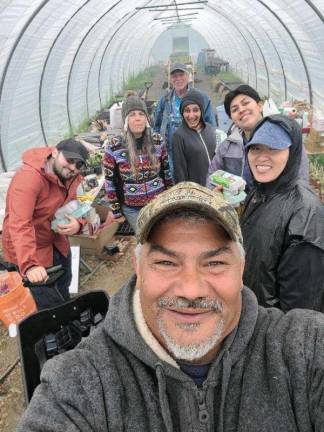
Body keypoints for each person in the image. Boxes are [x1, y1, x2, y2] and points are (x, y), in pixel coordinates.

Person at [18, 182, 324, 432]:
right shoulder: (80, 384)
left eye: (215, 262)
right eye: (165, 262)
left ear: (241, 268)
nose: (190, 290)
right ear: (137, 268)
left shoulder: (303, 348)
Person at [240, 116, 324, 311]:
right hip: (252, 315)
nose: (262, 157)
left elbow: (301, 308)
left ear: (292, 152)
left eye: (274, 148)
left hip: (274, 331)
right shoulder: (260, 192)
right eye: (256, 148)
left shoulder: (305, 213)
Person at [2, 139, 89, 310]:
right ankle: (53, 327)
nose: (73, 167)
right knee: (48, 302)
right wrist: (30, 265)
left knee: (64, 283)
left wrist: (78, 224)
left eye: (78, 164)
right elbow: (20, 225)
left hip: (57, 240)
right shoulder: (29, 179)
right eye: (70, 160)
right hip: (32, 250)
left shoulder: (73, 177)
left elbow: (81, 206)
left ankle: (65, 311)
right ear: (55, 152)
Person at [207, 84, 309, 189]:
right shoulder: (227, 146)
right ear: (232, 118)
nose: (241, 110)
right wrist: (217, 194)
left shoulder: (284, 139)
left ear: (260, 105)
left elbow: (301, 180)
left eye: (245, 103)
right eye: (234, 109)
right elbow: (211, 175)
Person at [103, 94, 173, 232]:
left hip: (158, 204)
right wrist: (116, 211)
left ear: (146, 118)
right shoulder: (114, 147)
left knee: (161, 235)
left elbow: (167, 173)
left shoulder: (158, 141)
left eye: (141, 114)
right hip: (132, 209)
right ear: (126, 120)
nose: (137, 118)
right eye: (132, 114)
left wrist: (169, 199)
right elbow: (109, 182)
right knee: (145, 239)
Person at [154, 62, 216, 176]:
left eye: (181, 75)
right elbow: (156, 124)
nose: (178, 79)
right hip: (173, 153)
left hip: (196, 150)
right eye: (174, 76)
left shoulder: (201, 97)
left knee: (197, 182)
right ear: (170, 79)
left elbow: (211, 125)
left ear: (188, 77)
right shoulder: (166, 99)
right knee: (177, 182)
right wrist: (157, 148)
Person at [173, 89, 216, 185]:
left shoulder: (209, 129)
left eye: (196, 110)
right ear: (182, 113)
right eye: (187, 111)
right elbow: (179, 171)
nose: (191, 116)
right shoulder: (179, 135)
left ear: (202, 111)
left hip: (214, 187)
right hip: (195, 190)